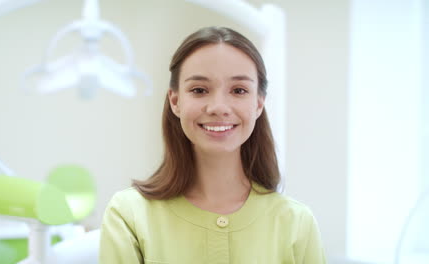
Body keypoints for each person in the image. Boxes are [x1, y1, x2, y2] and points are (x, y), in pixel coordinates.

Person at [100, 26, 326, 264]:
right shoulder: (128, 215)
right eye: (199, 90)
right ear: (176, 101)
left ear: (259, 104)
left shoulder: (297, 223)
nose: (218, 106)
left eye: (239, 90)